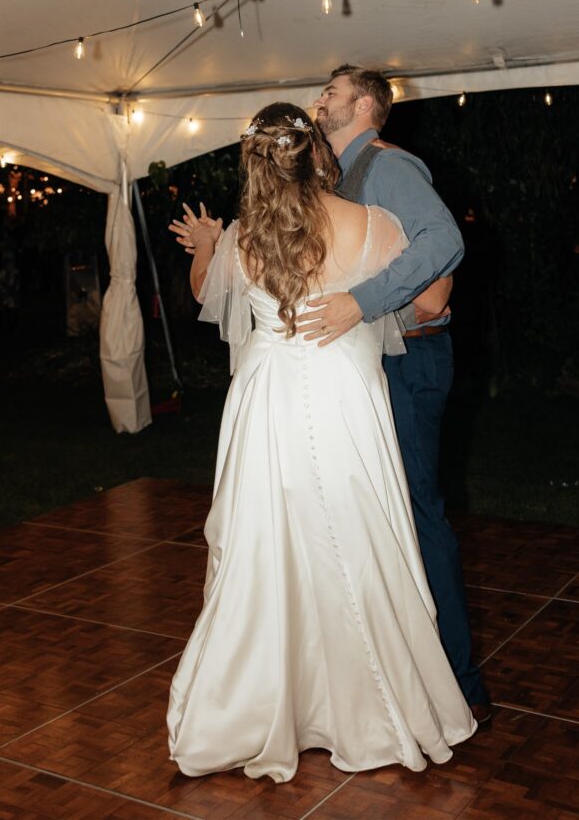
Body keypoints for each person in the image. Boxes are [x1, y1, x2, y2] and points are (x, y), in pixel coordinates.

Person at [166, 103, 476, 783]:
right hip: (343, 401)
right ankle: (371, 712)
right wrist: (372, 300)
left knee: (269, 548)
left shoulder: (245, 237)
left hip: (264, 406)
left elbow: (208, 299)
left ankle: (253, 710)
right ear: (316, 154)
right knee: (355, 540)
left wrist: (207, 250)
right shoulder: (369, 224)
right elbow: (431, 299)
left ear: (251, 163)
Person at [296, 65, 490, 721]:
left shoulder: (387, 166)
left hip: (414, 360)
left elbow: (445, 241)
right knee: (384, 517)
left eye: (333, 91)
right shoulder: (338, 176)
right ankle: (404, 676)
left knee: (416, 515)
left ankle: (459, 689)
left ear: (368, 106)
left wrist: (361, 301)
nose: (319, 98)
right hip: (384, 360)